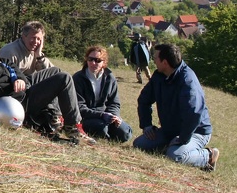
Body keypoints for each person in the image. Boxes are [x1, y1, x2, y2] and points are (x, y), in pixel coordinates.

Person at [0, 22, 96, 145]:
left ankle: (55, 115)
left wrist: (18, 78)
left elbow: (9, 65)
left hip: (22, 86)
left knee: (54, 71)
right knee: (63, 78)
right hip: (20, 102)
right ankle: (72, 127)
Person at [133, 43, 220, 171]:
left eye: (156, 58)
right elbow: (144, 100)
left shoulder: (187, 81)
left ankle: (208, 156)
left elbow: (194, 114)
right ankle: (170, 147)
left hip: (196, 131)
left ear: (165, 63)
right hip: (170, 130)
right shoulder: (158, 76)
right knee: (139, 145)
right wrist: (146, 125)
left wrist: (184, 138)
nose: (154, 60)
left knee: (175, 156)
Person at [73, 45, 133, 142]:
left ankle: (110, 133)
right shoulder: (78, 78)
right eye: (90, 59)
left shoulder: (110, 78)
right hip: (87, 117)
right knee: (101, 129)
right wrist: (101, 115)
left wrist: (114, 116)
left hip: (107, 116)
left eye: (97, 60)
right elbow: (79, 106)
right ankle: (105, 134)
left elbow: (114, 102)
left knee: (125, 133)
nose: (93, 63)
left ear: (104, 62)